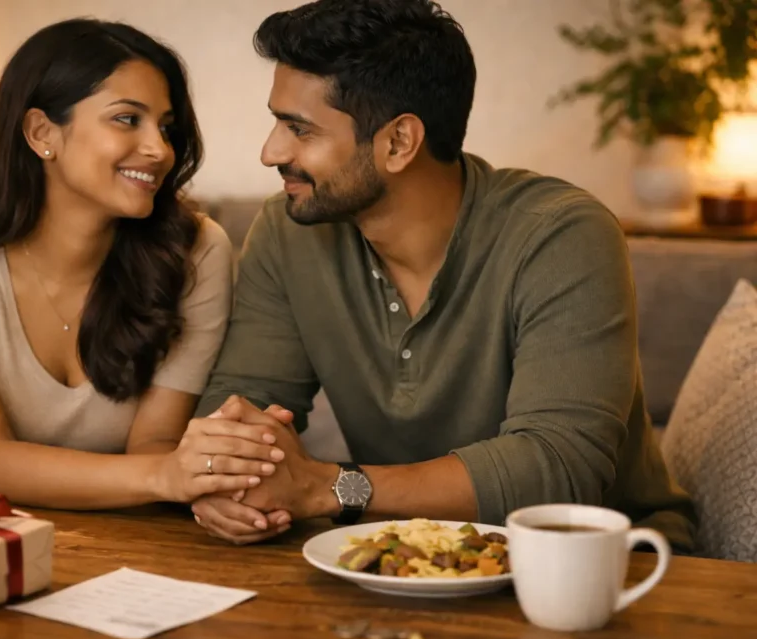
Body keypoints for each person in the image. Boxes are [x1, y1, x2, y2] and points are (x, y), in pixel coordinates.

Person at [190, 0, 696, 551]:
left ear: (399, 142)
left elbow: (559, 467)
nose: (271, 152)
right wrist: (226, 478)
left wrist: (330, 487)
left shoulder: (561, 235)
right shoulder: (289, 231)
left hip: (601, 569)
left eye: (299, 129)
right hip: (388, 556)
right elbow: (241, 403)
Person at [0, 18, 286, 509]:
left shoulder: (197, 251)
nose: (160, 150)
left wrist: (216, 480)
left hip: (114, 527)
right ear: (41, 132)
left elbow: (155, 444)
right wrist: (173, 475)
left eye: (166, 127)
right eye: (126, 119)